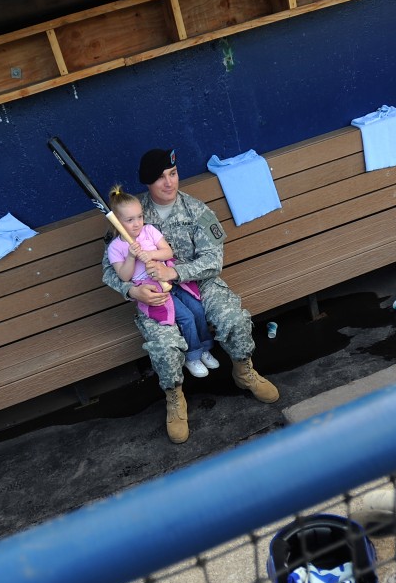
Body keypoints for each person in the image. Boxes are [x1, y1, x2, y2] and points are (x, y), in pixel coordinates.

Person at [102, 148, 279, 444]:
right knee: (164, 343)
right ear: (147, 183)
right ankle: (175, 398)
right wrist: (133, 290)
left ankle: (243, 371)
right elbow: (110, 269)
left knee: (233, 318)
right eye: (160, 178)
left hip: (200, 283)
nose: (169, 183)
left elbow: (213, 261)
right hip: (155, 294)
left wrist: (176, 273)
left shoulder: (196, 210)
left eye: (173, 174)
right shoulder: (129, 214)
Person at [105, 185, 220, 380]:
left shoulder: (149, 231)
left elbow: (168, 252)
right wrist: (132, 257)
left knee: (197, 309)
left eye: (140, 217)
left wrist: (149, 254)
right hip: (153, 290)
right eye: (129, 220)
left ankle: (204, 348)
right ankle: (193, 356)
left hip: (168, 279)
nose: (137, 223)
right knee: (185, 317)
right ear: (117, 223)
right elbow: (123, 276)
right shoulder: (116, 247)